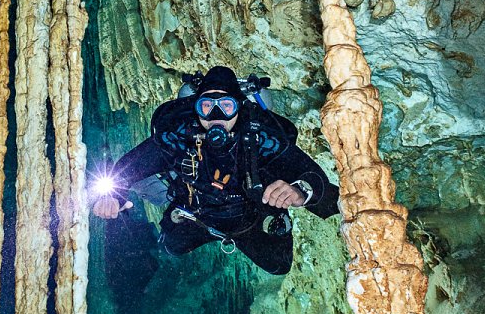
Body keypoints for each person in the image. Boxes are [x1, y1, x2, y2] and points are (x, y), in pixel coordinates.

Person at [91, 66, 340, 275]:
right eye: (207, 106)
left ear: (239, 108)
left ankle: (277, 222)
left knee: (278, 266)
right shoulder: (179, 137)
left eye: (227, 106)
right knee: (171, 247)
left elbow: (313, 176)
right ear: (195, 108)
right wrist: (113, 195)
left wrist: (299, 191)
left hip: (250, 218)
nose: (216, 116)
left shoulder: (260, 138)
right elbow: (126, 169)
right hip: (196, 214)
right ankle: (161, 192)